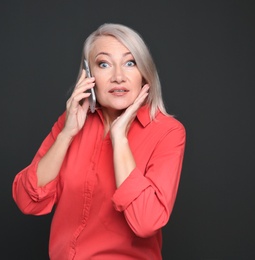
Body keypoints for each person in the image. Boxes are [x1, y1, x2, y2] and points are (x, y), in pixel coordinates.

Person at [12, 23, 186, 260]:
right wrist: (66, 134)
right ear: (88, 75)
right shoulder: (72, 121)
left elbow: (146, 222)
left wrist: (119, 139)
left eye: (130, 63)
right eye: (104, 64)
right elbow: (26, 199)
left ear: (145, 72)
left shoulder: (167, 132)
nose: (118, 77)